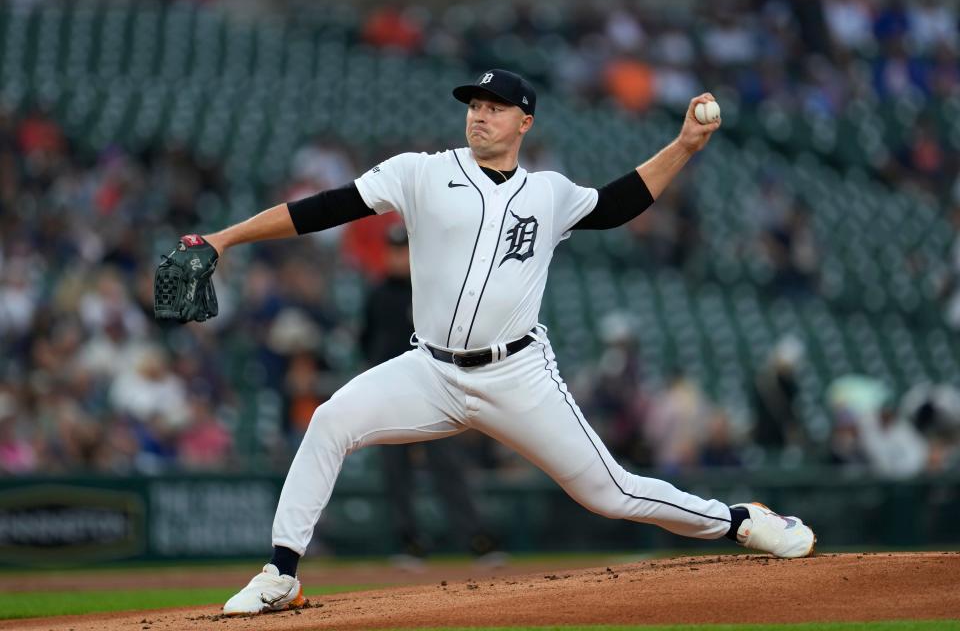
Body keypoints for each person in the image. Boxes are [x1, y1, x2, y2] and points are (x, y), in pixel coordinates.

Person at [185, 69, 815, 615]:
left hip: (517, 376)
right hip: (428, 371)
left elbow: (618, 204)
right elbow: (322, 207)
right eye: (473, 106)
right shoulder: (420, 173)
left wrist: (682, 145)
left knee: (611, 493)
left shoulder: (548, 192)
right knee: (329, 421)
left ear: (525, 122)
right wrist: (226, 238)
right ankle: (281, 573)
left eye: (493, 109)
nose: (479, 117)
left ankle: (739, 521)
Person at [360, 224, 502, 565]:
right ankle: (408, 543)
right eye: (393, 250)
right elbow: (365, 343)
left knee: (448, 467)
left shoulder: (428, 291)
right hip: (391, 395)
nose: (397, 257)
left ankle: (476, 540)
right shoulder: (377, 296)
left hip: (432, 391)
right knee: (396, 473)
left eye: (402, 250)